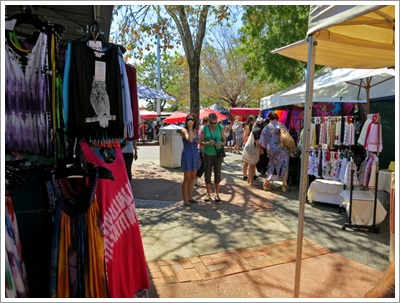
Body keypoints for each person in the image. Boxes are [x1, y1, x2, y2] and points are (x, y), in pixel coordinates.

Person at [259, 112, 291, 192]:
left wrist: (267, 147)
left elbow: (262, 141)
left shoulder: (267, 127)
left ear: (269, 118)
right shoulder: (282, 125)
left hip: (272, 150)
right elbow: (287, 137)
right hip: (283, 150)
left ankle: (266, 183)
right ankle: (284, 185)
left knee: (271, 166)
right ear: (277, 118)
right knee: (284, 166)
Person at [200, 113, 225, 202]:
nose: (213, 125)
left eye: (214, 123)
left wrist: (220, 143)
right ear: (208, 121)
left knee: (217, 173)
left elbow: (224, 141)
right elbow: (201, 142)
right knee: (207, 172)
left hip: (217, 154)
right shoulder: (205, 128)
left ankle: (217, 193)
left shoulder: (220, 127)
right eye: (211, 123)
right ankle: (208, 193)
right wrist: (208, 143)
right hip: (207, 153)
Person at [180, 114, 201, 206]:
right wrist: (189, 128)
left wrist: (198, 142)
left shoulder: (195, 130)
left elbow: (195, 142)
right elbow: (189, 139)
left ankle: (190, 197)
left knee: (192, 178)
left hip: (194, 155)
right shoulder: (184, 130)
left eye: (192, 119)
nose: (190, 121)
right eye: (188, 119)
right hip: (187, 155)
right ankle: (185, 199)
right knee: (186, 178)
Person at [242, 115, 257, 184]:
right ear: (251, 121)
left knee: (253, 161)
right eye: (254, 120)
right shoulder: (248, 127)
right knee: (246, 162)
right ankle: (245, 175)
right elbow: (244, 137)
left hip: (252, 145)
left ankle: (252, 174)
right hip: (247, 145)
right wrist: (251, 137)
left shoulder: (254, 127)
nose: (255, 122)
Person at [194, 115, 209, 187]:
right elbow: (201, 139)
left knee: (206, 165)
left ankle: (206, 179)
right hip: (203, 149)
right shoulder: (204, 128)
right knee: (203, 165)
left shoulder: (202, 127)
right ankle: (196, 179)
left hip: (204, 149)